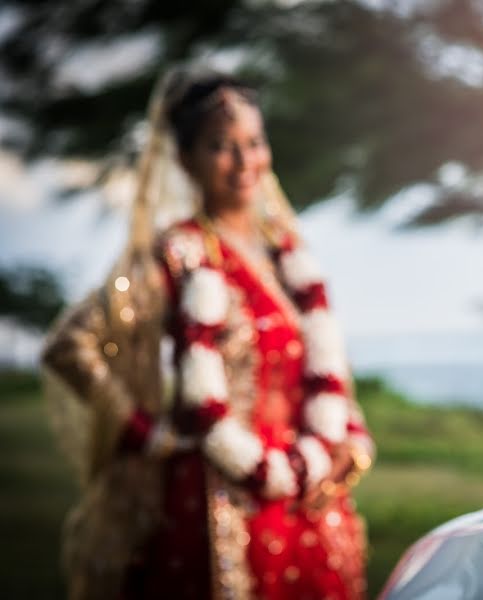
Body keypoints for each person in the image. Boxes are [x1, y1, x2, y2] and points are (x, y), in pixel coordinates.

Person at [41, 67, 374, 600]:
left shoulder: (286, 254)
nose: (245, 163)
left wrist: (349, 439)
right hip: (219, 498)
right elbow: (70, 347)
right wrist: (148, 433)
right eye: (221, 146)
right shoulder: (178, 252)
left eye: (254, 142)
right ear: (185, 159)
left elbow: (316, 366)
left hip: (309, 494)